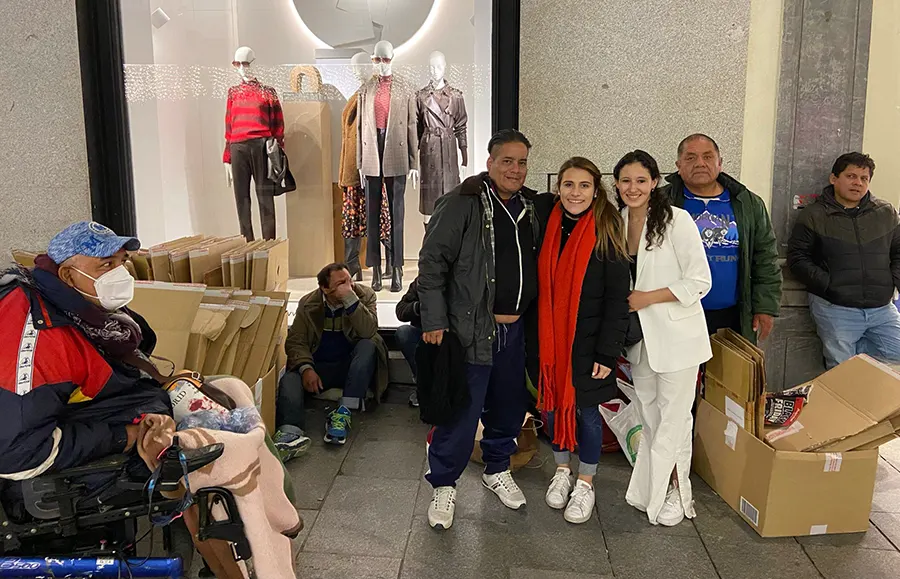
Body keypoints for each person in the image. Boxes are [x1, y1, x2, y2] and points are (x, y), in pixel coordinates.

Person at [417, 128, 553, 530]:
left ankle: (497, 469)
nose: (515, 169)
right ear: (490, 162)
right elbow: (432, 263)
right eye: (507, 160)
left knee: (509, 407)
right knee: (461, 414)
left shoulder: (530, 207)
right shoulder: (463, 202)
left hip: (516, 332)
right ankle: (444, 484)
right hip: (470, 330)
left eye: (522, 162)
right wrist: (434, 319)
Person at [0, 221, 173, 480]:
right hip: (23, 458)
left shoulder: (76, 304)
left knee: (156, 401)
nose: (121, 274)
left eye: (122, 262)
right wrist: (124, 436)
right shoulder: (43, 338)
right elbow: (16, 455)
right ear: (68, 276)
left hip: (47, 413)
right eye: (106, 264)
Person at [616, 151, 712, 526]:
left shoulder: (677, 220)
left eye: (641, 180)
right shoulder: (617, 221)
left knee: (674, 419)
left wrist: (648, 298)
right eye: (626, 180)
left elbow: (699, 281)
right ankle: (651, 491)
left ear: (655, 182)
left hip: (678, 338)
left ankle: (676, 492)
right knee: (650, 417)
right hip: (639, 341)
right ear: (617, 184)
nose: (633, 188)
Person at [538, 157, 630, 524]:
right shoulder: (546, 222)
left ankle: (585, 482)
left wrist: (607, 353)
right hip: (551, 344)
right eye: (568, 185)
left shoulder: (607, 230)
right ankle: (562, 470)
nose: (575, 193)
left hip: (590, 345)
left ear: (596, 190)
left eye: (584, 186)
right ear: (558, 188)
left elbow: (617, 301)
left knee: (588, 413)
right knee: (551, 408)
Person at [663, 134, 781, 342]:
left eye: (708, 157)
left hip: (732, 315)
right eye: (690, 158)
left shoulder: (747, 203)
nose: (700, 163)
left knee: (729, 365)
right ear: (678, 165)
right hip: (675, 312)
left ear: (720, 163)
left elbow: (765, 257)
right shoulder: (661, 202)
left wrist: (765, 307)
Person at [788, 152, 900, 368]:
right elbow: (797, 258)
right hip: (836, 308)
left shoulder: (886, 213)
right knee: (841, 370)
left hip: (881, 309)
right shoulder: (815, 215)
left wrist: (892, 282)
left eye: (864, 178)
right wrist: (829, 285)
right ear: (834, 178)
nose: (858, 183)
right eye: (851, 176)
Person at [275, 263, 388, 454]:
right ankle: (290, 432)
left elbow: (369, 330)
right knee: (290, 378)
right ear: (325, 288)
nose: (349, 286)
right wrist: (306, 368)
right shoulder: (308, 303)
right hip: (320, 365)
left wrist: (350, 300)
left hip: (351, 366)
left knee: (368, 345)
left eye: (349, 280)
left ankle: (344, 412)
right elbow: (296, 341)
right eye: (341, 283)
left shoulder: (364, 295)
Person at [395, 277, 422, 407]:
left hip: (450, 335)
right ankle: (423, 384)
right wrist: (417, 307)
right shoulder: (421, 281)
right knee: (404, 333)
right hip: (423, 334)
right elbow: (400, 310)